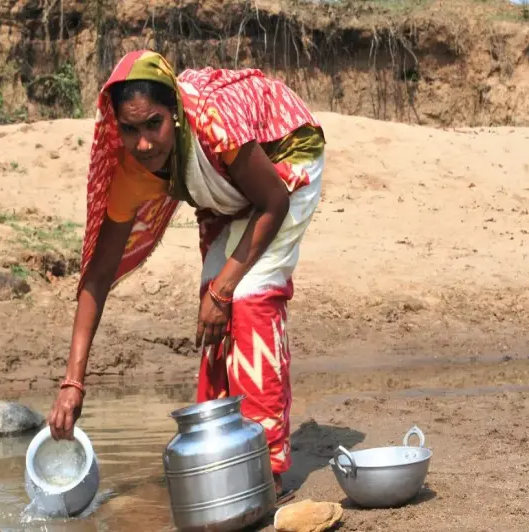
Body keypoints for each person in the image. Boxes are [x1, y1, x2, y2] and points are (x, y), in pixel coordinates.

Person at [46, 50, 325, 504]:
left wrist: (224, 287)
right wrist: (72, 383)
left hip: (284, 157)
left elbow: (274, 203)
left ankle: (266, 469)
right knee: (212, 307)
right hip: (233, 185)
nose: (143, 144)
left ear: (175, 113)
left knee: (249, 296)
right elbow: (97, 277)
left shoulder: (212, 125)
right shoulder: (129, 171)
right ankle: (219, 449)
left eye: (153, 124)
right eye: (129, 129)